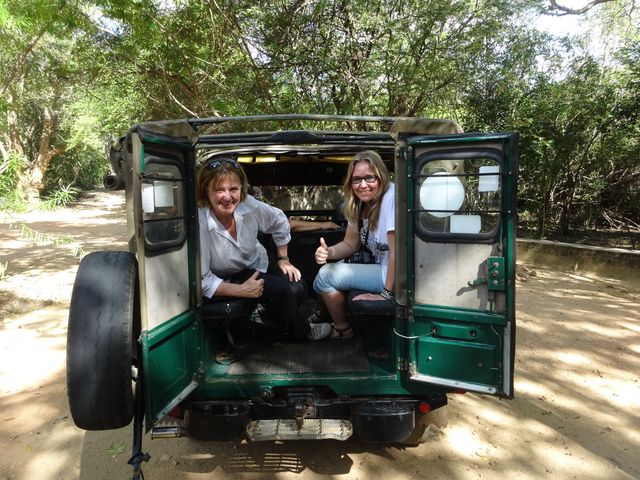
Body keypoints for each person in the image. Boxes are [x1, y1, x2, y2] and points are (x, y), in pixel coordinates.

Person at [197, 157, 331, 341]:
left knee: (298, 287)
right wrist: (242, 290)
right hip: (226, 274)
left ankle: (275, 317)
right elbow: (202, 280)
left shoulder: (248, 204)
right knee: (281, 290)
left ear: (241, 189)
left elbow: (279, 220)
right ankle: (302, 333)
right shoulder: (199, 221)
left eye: (233, 189)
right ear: (206, 190)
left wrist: (283, 258)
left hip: (257, 259)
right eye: (219, 190)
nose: (227, 197)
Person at [312, 150, 395, 339]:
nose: (363, 185)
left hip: (393, 274)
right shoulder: (358, 204)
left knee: (326, 276)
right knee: (320, 280)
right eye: (357, 179)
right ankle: (325, 316)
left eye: (369, 178)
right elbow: (350, 244)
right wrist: (328, 252)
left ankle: (344, 331)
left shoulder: (391, 198)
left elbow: (396, 253)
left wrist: (386, 295)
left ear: (381, 177)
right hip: (381, 266)